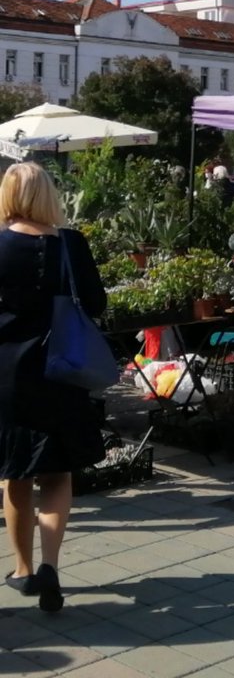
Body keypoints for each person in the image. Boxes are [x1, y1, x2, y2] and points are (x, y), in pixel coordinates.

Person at [0, 162, 108, 613]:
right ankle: (51, 566)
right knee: (58, 472)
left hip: (7, 373)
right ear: (49, 195)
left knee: (15, 474)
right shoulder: (71, 243)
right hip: (62, 370)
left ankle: (22, 570)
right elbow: (97, 304)